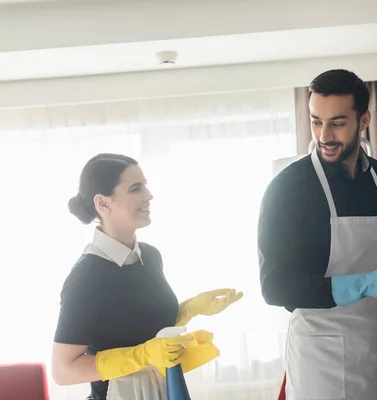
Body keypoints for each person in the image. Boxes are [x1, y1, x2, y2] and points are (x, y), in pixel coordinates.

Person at [258, 69, 377, 400]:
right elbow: (275, 286)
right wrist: (364, 283)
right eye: (316, 121)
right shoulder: (287, 189)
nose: (323, 135)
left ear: (364, 120)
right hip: (321, 366)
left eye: (336, 122)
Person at [52, 153, 243, 400]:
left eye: (146, 185)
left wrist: (189, 308)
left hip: (162, 390)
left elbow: (139, 328)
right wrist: (140, 356)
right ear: (103, 203)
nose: (149, 195)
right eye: (136, 188)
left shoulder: (151, 257)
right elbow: (63, 370)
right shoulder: (88, 276)